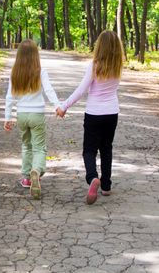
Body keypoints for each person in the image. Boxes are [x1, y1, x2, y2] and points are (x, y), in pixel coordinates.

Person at [56, 30, 124, 205]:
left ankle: (93, 177)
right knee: (106, 148)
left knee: (89, 150)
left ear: (99, 46)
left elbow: (81, 90)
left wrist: (64, 106)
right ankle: (106, 185)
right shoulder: (118, 65)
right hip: (112, 113)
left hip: (94, 113)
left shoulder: (94, 65)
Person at [4, 39, 60, 200]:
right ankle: (37, 170)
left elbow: (10, 97)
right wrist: (57, 106)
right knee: (39, 147)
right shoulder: (40, 71)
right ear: (36, 55)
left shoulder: (15, 72)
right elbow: (49, 90)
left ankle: (27, 178)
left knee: (26, 146)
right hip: (37, 114)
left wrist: (8, 117)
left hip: (21, 115)